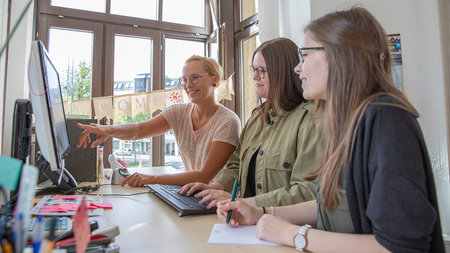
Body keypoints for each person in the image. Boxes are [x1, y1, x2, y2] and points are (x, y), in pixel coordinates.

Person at [216, 7, 445, 253]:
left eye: (304, 56)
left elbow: (402, 246)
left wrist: (294, 234)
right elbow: (331, 205)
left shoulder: (386, 120)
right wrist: (260, 211)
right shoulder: (346, 122)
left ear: (338, 56)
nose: (297, 68)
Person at [179, 38, 323, 209]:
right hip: (249, 222)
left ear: (283, 72)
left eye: (261, 71)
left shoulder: (309, 120)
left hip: (283, 228)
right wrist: (215, 187)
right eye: (254, 70)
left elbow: (307, 192)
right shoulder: (257, 117)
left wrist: (246, 204)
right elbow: (236, 164)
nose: (255, 77)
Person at [77, 56, 241, 187]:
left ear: (214, 80)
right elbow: (139, 129)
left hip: (218, 201)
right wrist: (108, 130)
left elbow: (204, 176)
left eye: (195, 78)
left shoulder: (227, 121)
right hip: (193, 193)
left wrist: (152, 179)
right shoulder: (178, 112)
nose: (188, 85)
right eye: (184, 79)